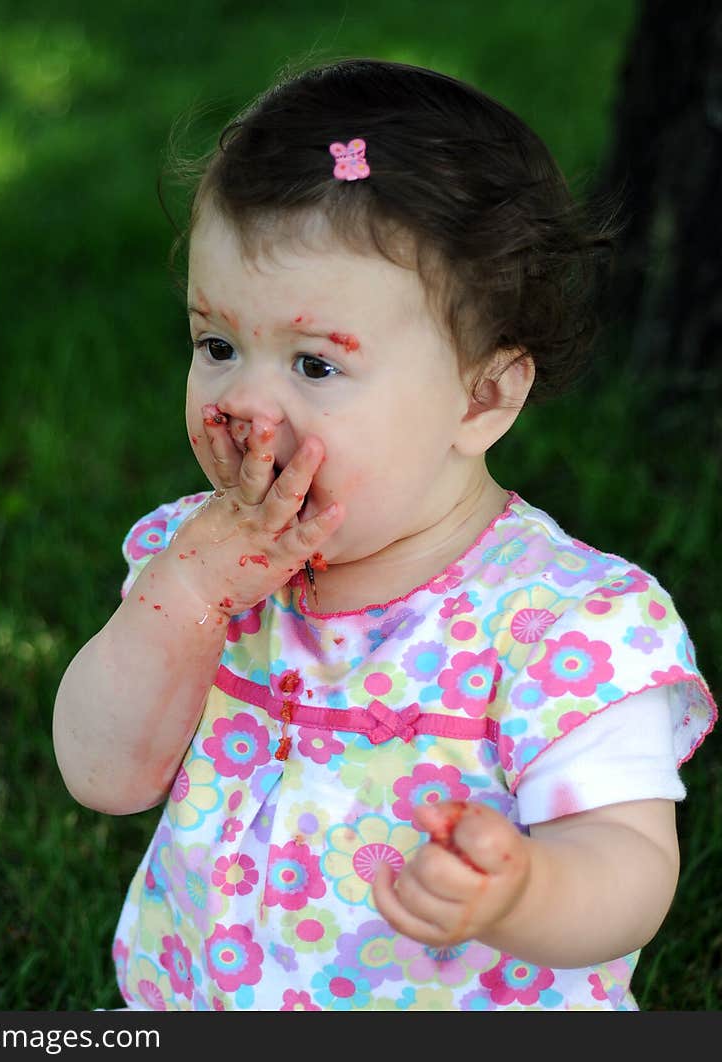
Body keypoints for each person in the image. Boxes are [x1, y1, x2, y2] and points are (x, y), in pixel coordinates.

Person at [52, 58, 717, 1011]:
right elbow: (102, 773)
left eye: (316, 364)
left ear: (483, 397)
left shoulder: (565, 625)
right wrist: (187, 597)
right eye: (218, 345)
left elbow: (630, 865)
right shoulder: (196, 566)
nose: (245, 401)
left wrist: (523, 889)